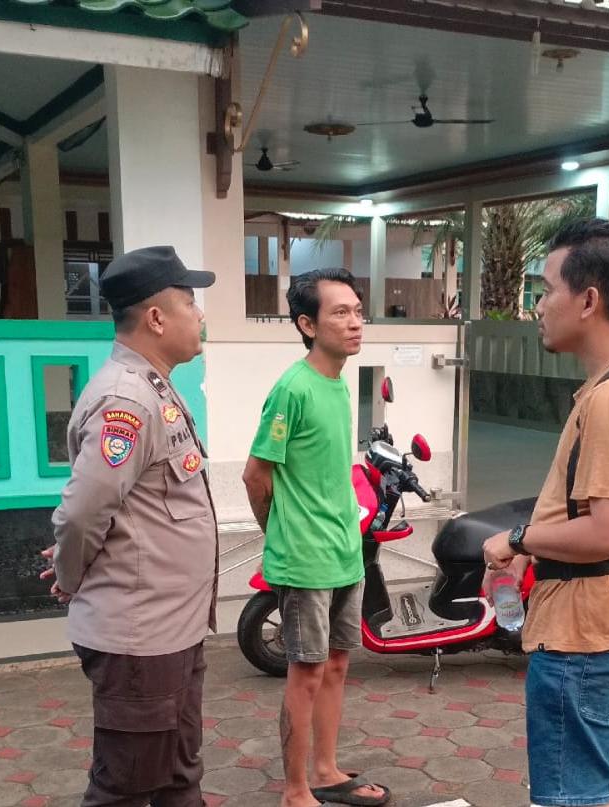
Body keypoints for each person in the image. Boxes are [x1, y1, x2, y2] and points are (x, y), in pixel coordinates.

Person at [483, 218, 609, 807]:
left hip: (584, 635)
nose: (539, 306)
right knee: (589, 788)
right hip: (597, 623)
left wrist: (517, 540)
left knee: (572, 797)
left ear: (588, 300)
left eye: (546, 290)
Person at [41, 245, 219, 807]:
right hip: (141, 641)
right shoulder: (128, 399)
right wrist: (70, 576)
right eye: (190, 303)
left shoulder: (154, 386)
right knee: (125, 788)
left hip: (171, 631)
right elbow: (82, 512)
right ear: (157, 318)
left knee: (178, 776)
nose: (200, 315)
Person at [242, 269, 389, 807]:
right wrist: (279, 535)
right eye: (340, 313)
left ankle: (326, 771)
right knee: (305, 672)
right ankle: (295, 789)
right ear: (307, 324)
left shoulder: (338, 383)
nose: (355, 323)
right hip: (305, 559)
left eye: (357, 311)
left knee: (337, 665)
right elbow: (256, 475)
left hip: (344, 551)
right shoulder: (293, 389)